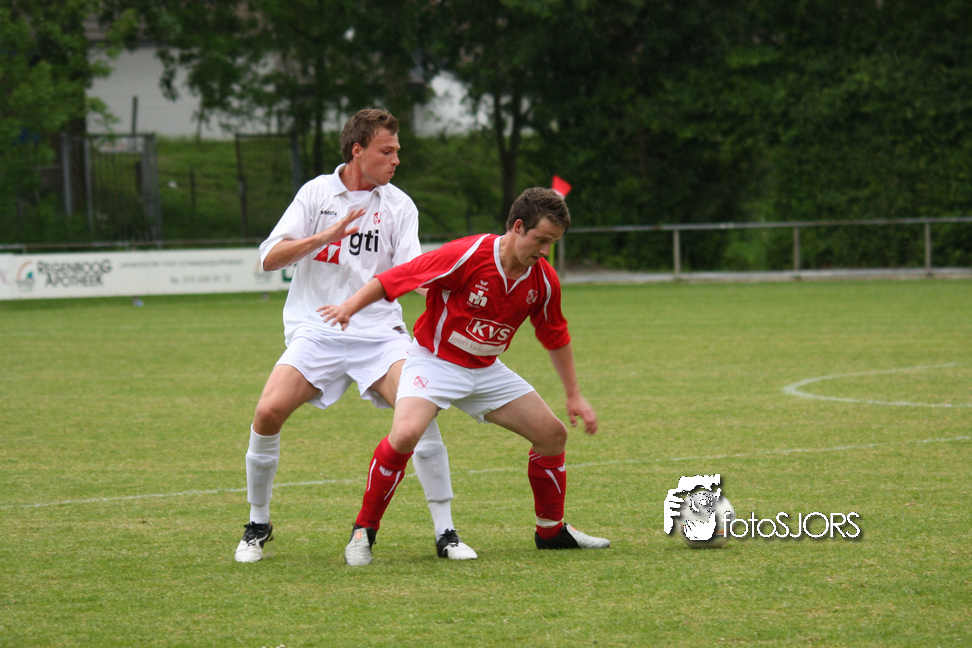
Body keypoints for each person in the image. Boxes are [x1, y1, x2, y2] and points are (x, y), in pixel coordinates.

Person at [318, 187, 610, 566]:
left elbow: (555, 335)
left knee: (552, 435)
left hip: (486, 371)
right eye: (541, 240)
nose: (544, 251)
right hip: (434, 362)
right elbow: (395, 278)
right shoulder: (467, 254)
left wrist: (574, 395)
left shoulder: (543, 280)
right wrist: (348, 307)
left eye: (552, 243)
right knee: (405, 435)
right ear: (517, 227)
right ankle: (363, 531)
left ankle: (551, 532)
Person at [235, 108, 477, 563]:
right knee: (267, 411)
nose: (396, 159)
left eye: (397, 151)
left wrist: (455, 281)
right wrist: (324, 235)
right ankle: (257, 523)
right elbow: (268, 258)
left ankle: (446, 532)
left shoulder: (400, 205)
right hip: (318, 329)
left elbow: (409, 272)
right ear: (357, 150)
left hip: (380, 333)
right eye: (387, 151)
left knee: (419, 415)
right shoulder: (316, 193)